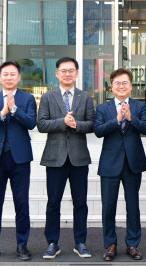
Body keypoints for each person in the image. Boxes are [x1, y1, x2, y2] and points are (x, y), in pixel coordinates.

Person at [37, 57, 96, 260]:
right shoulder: (47, 97)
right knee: (53, 202)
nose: (67, 74)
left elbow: (92, 124)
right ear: (57, 73)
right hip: (55, 158)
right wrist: (63, 122)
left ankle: (80, 242)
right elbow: (41, 124)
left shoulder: (85, 97)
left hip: (79, 158)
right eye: (64, 70)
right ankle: (52, 243)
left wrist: (76, 125)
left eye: (71, 70)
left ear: (77, 73)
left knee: (80, 202)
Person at [0, 61, 37, 262]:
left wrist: (14, 110)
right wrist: (2, 113)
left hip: (20, 158)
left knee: (22, 203)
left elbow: (31, 123)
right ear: (0, 77)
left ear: (19, 77)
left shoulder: (28, 98)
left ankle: (22, 245)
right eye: (6, 74)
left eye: (13, 74)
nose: (9, 77)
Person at [94, 68, 146, 261]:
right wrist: (117, 120)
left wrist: (130, 119)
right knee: (108, 206)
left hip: (133, 162)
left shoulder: (139, 106)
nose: (121, 86)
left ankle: (132, 244)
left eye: (125, 82)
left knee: (133, 206)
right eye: (117, 83)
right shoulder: (103, 108)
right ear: (111, 87)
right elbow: (98, 131)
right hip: (110, 163)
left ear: (131, 86)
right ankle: (110, 244)